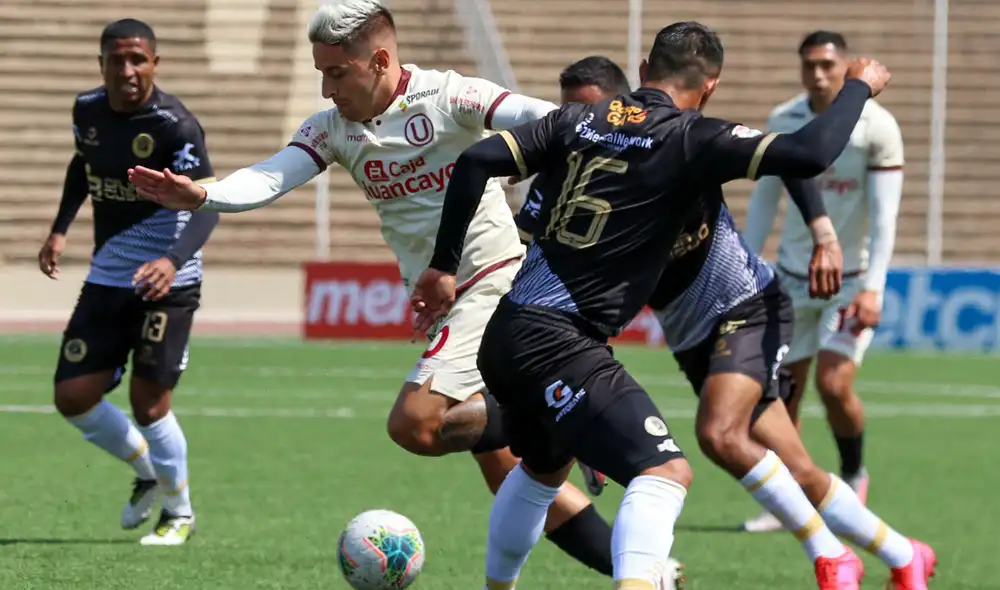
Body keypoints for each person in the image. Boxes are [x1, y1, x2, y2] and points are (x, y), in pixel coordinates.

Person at [411, 21, 932, 590]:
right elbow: (803, 153)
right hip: (617, 333)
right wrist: (859, 85)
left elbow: (794, 161)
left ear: (638, 77)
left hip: (737, 308)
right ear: (709, 86)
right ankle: (891, 554)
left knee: (712, 438)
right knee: (689, 466)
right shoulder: (688, 138)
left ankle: (842, 557)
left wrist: (442, 266)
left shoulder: (588, 128)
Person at [128, 0, 617, 575]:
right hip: (444, 303)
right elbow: (270, 175)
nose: (327, 87)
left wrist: (623, 131)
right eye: (321, 73)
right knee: (504, 466)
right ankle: (641, 568)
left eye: (337, 73)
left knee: (415, 424)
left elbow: (548, 119)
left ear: (380, 59)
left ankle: (563, 411)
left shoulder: (451, 97)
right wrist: (203, 194)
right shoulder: (332, 130)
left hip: (492, 283)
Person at [39, 18, 219, 546]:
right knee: (73, 396)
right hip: (108, 273)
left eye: (138, 59)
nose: (128, 70)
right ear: (102, 65)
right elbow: (83, 164)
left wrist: (172, 258)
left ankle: (179, 513)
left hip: (170, 278)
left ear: (155, 64)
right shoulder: (87, 110)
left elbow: (208, 205)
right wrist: (59, 228)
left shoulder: (175, 126)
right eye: (117, 60)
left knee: (149, 403)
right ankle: (147, 471)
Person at [741, 30, 905, 533]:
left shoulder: (877, 127)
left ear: (845, 67)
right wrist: (747, 266)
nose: (818, 74)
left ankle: (853, 475)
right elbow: (765, 203)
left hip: (851, 284)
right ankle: (793, 498)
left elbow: (885, 217)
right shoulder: (785, 120)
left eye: (828, 65)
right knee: (782, 395)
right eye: (809, 65)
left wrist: (873, 287)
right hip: (791, 281)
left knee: (835, 385)